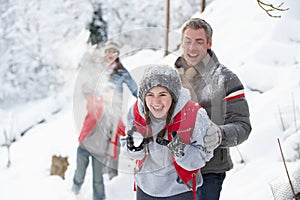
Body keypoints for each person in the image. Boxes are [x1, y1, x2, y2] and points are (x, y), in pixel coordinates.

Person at [174, 18, 252, 200]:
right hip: (173, 171)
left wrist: (219, 134)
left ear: (209, 43)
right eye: (187, 41)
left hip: (208, 172)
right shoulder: (172, 79)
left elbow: (243, 126)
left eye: (199, 41)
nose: (192, 48)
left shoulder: (226, 79)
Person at [122, 64, 219, 200]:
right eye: (150, 95)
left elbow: (202, 157)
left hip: (179, 191)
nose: (156, 102)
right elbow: (126, 145)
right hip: (145, 189)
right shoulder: (136, 112)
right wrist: (133, 148)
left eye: (162, 94)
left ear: (174, 96)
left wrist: (181, 151)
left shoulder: (194, 115)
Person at [72, 83, 126, 200]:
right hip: (84, 147)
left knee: (98, 180)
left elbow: (123, 131)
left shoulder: (115, 113)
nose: (108, 95)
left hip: (99, 152)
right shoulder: (96, 104)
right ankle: (74, 190)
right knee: (80, 174)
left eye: (111, 93)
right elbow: (89, 96)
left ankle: (99, 198)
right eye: (106, 92)